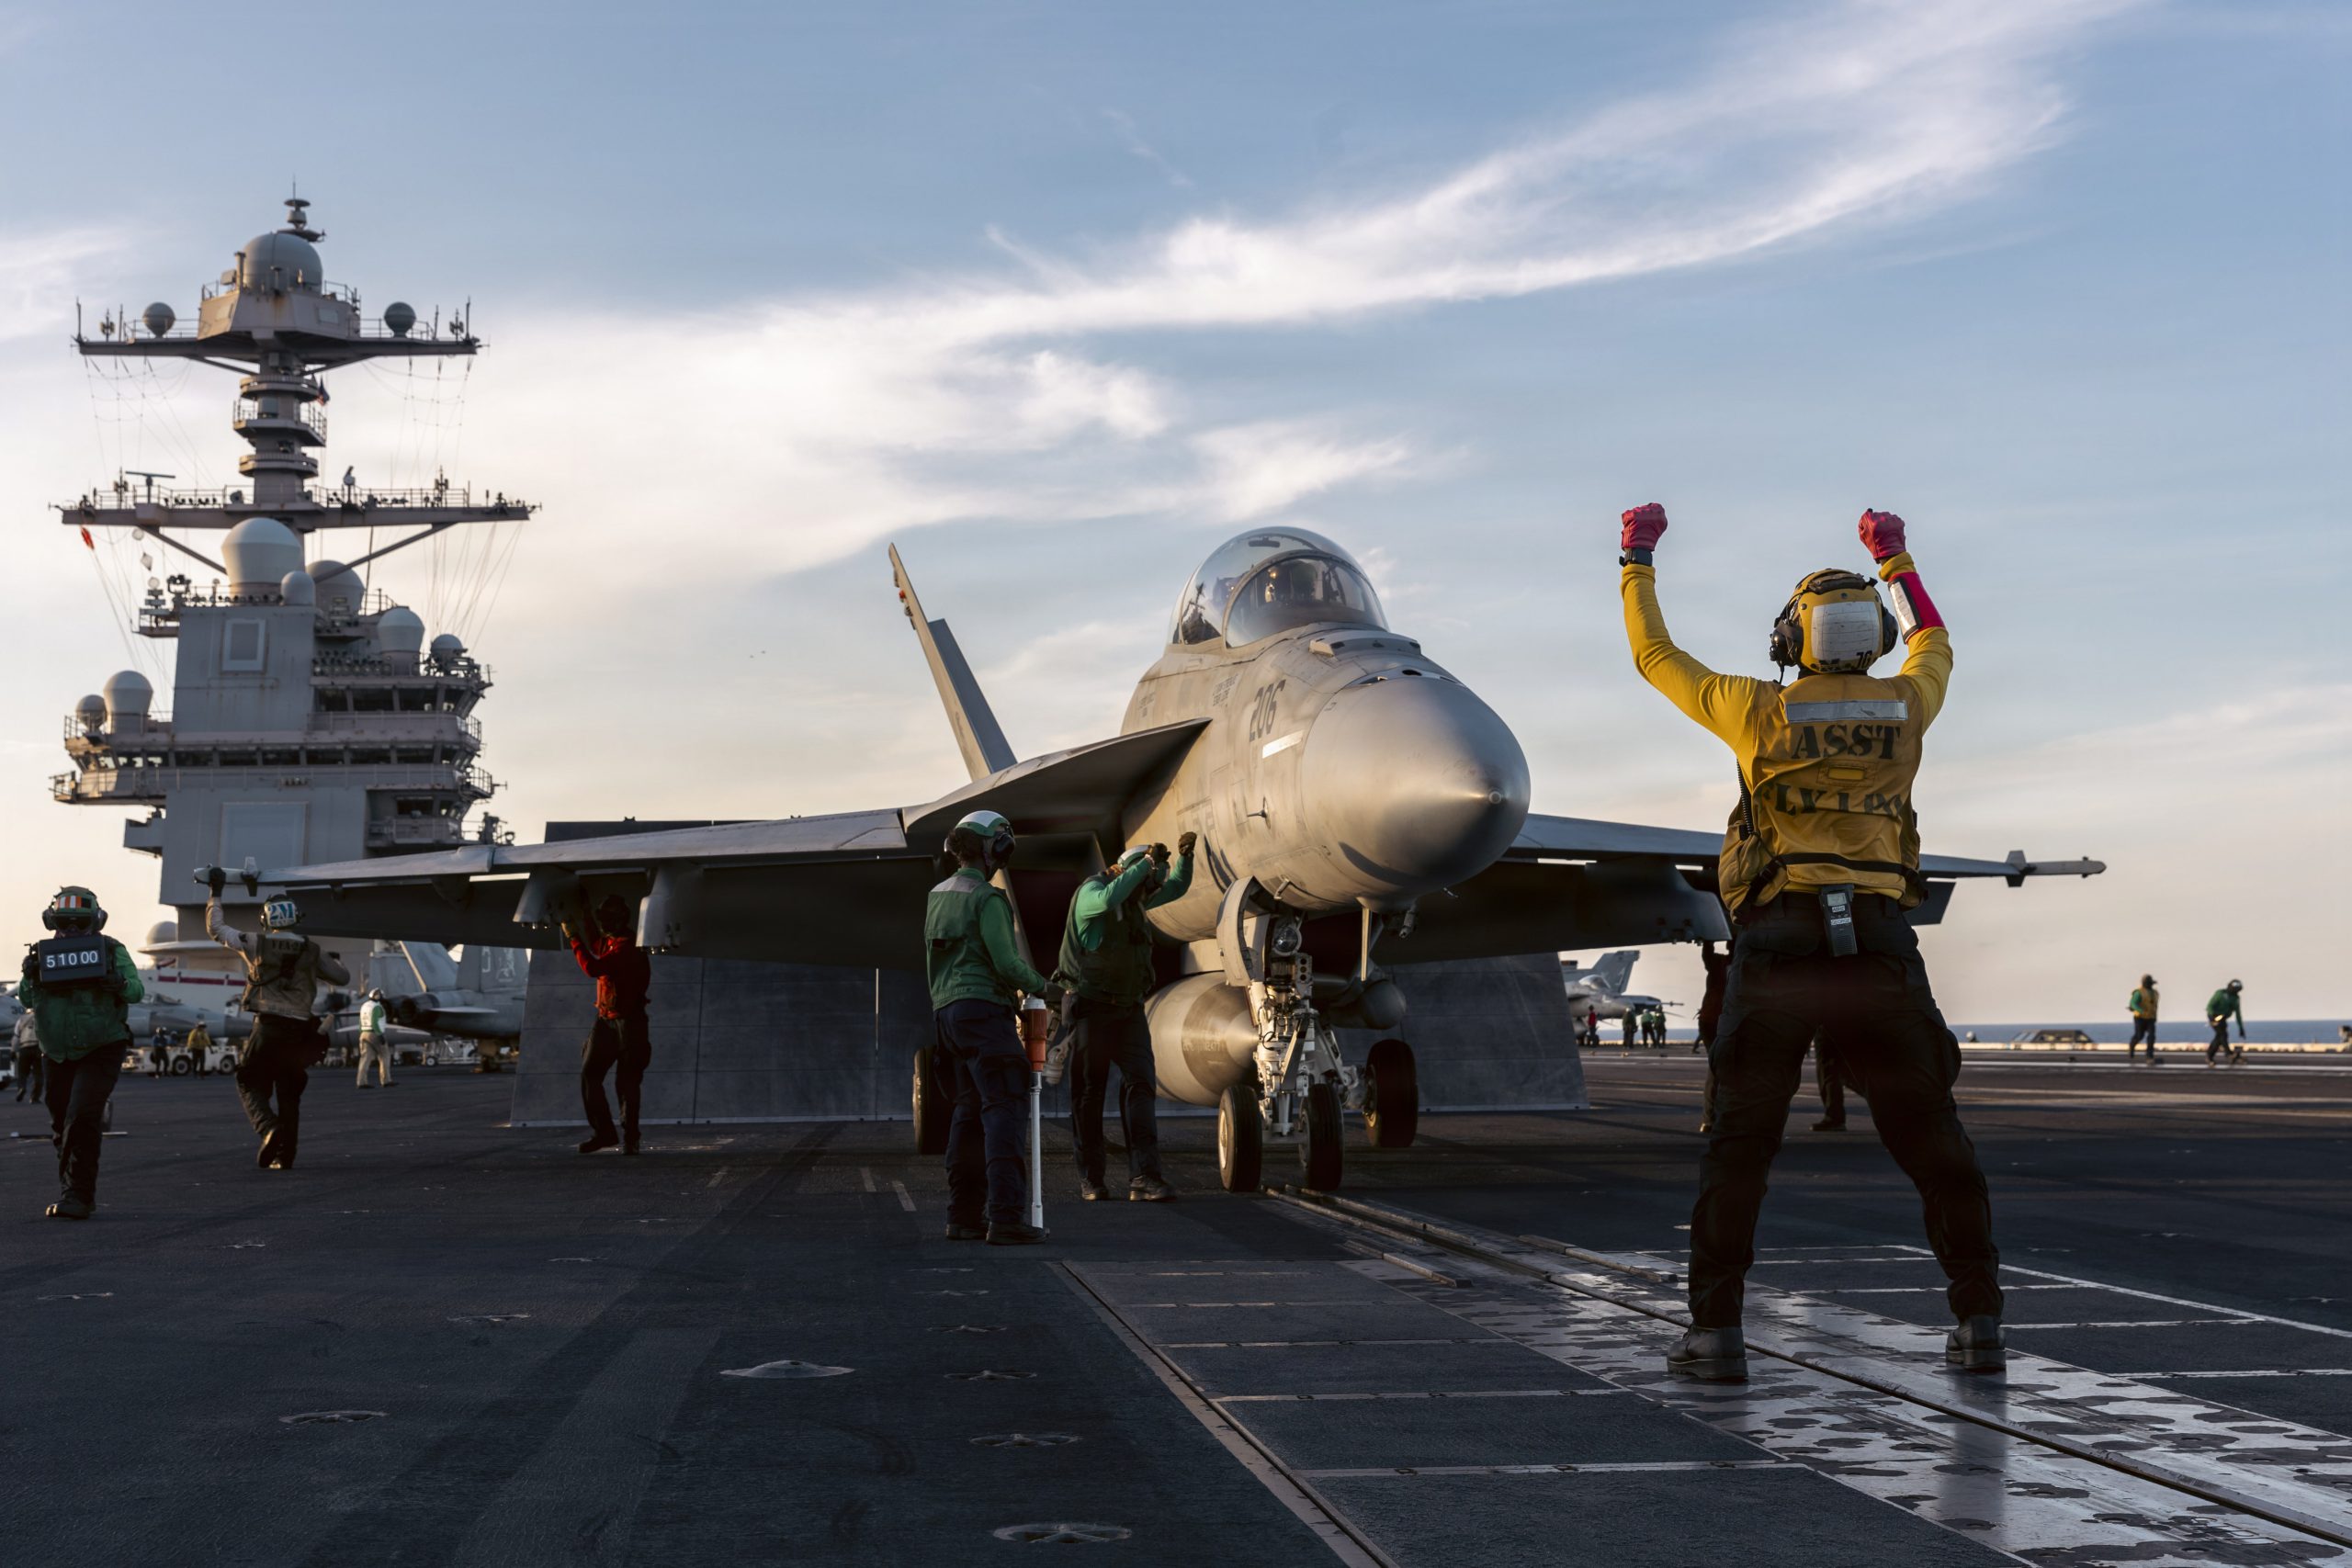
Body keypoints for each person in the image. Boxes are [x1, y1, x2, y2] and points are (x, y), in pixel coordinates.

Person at [1619, 502, 2003, 1381]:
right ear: (1868, 637)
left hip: (1780, 940)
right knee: (1934, 1139)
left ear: (1796, 635)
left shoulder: (1757, 710)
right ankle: (1980, 1321)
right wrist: (1897, 557)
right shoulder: (1909, 706)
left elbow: (1655, 656)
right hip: (1878, 943)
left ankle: (1715, 1335)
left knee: (1739, 1147)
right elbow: (1935, 638)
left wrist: (1636, 558)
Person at [926, 808, 1055, 1245]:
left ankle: (962, 1216)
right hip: (983, 1015)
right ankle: (1005, 1216)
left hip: (948, 1018)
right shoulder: (988, 899)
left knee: (967, 1115)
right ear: (993, 848)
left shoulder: (938, 894)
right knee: (1004, 1109)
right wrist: (1046, 989)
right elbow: (1005, 962)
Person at [1054, 834, 1195, 1202]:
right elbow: (1108, 899)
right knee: (1089, 1094)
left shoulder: (1135, 896)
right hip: (1091, 1008)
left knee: (1141, 1086)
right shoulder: (1092, 893)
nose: (1149, 891)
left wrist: (1184, 858)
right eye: (1146, 881)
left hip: (1128, 1009)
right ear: (1129, 871)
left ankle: (1144, 1178)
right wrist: (1147, 865)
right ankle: (1092, 1179)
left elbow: (1177, 888)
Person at [207, 873, 349, 1170]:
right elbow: (341, 977)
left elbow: (216, 928)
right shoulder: (311, 950)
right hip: (300, 1030)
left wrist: (216, 891)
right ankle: (285, 1156)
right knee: (289, 1093)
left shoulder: (254, 942)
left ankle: (268, 1128)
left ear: (266, 920)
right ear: (295, 918)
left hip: (268, 1026)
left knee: (249, 1081)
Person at [19, 887, 142, 1218]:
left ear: (96, 922)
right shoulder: (43, 956)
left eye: (79, 924)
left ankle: (78, 1196)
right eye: (64, 923)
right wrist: (29, 975)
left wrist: (116, 981)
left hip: (101, 1047)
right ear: (52, 922)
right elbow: (27, 1000)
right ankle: (72, 1190)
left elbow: (136, 990)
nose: (71, 931)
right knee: (62, 1123)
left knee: (82, 1116)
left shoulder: (112, 950)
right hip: (56, 1053)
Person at [563, 896, 652, 1154]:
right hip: (608, 1022)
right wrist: (585, 914)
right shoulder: (614, 942)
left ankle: (629, 1137)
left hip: (629, 1025)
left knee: (626, 1083)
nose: (603, 925)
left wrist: (573, 937)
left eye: (605, 920)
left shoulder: (626, 949)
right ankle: (606, 1133)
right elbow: (596, 943)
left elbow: (593, 967)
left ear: (616, 921)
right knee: (592, 1076)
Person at [1694, 938, 1730, 1133]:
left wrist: (1709, 937)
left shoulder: (1718, 963)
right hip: (1716, 1021)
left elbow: (1707, 955)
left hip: (1713, 1020)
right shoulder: (1746, 962)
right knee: (1718, 1070)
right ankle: (1711, 1119)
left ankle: (1710, 1119)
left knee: (1716, 1070)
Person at [355, 989, 393, 1089]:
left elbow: (360, 1022)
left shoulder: (364, 1006)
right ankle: (386, 1080)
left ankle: (361, 1082)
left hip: (364, 1033)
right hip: (374, 1033)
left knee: (365, 1059)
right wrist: (380, 1035)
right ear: (378, 996)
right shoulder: (377, 1007)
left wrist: (362, 1033)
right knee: (384, 1056)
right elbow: (375, 1022)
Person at [1811, 1034, 1848, 1132]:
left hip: (1826, 1026)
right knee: (1833, 1069)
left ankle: (1834, 1116)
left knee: (1828, 1069)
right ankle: (1835, 1116)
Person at [2205, 979, 2245, 1066]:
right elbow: (2210, 1006)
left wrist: (2241, 1027)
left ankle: (2210, 1056)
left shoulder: (2235, 998)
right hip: (2214, 1017)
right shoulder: (2220, 994)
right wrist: (2212, 1017)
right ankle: (2228, 1054)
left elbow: (2238, 1013)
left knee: (2220, 1037)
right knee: (2222, 1035)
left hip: (2223, 1018)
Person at [2128, 976, 2161, 1064]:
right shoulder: (2139, 993)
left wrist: (2154, 1017)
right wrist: (2140, 1010)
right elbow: (2133, 1003)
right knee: (2139, 1035)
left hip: (2150, 1018)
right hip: (2140, 1018)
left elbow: (2154, 1006)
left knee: (2151, 1036)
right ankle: (2132, 1046)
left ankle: (2149, 1056)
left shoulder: (2155, 993)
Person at [13, 1010, 44, 1102]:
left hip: (24, 1048)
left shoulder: (21, 1020)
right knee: (38, 1074)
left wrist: (13, 1051)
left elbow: (16, 1036)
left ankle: (21, 1088)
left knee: (22, 1073)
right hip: (37, 1048)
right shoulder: (41, 1018)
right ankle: (35, 1097)